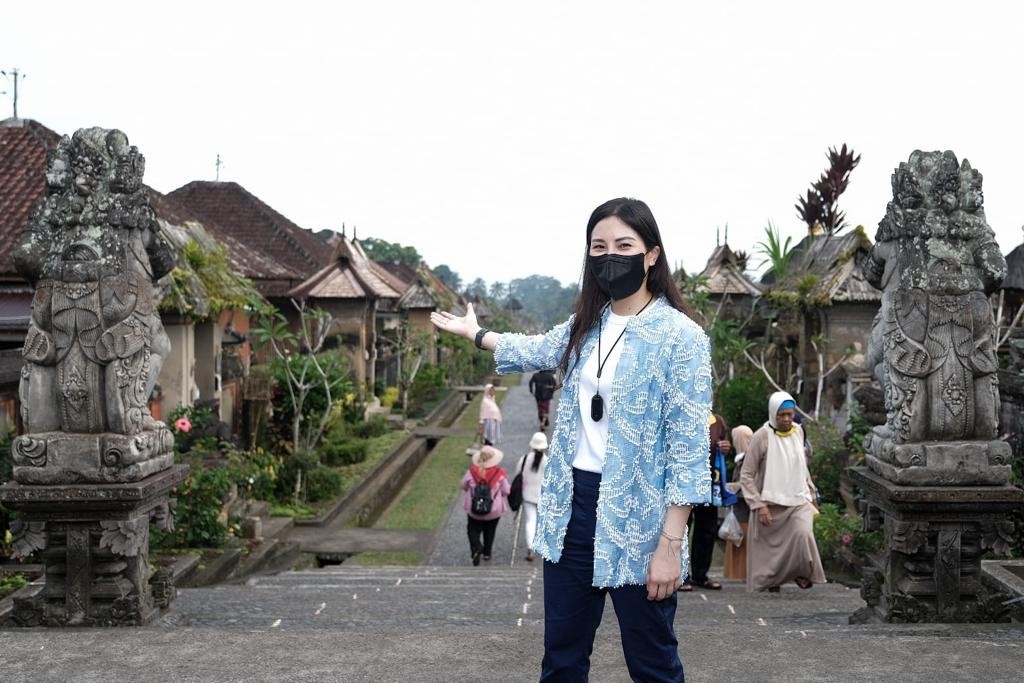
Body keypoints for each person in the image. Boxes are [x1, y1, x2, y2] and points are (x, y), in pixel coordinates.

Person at [431, 197, 712, 682]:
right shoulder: (589, 323)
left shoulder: (681, 338)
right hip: (572, 508)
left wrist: (670, 544)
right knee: (561, 657)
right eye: (598, 246)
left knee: (653, 662)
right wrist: (477, 334)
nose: (610, 256)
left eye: (623, 245)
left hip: (639, 519)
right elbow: (535, 348)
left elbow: (688, 452)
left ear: (651, 255)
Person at [739, 392, 826, 592]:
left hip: (798, 499)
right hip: (770, 503)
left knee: (803, 535)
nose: (786, 419)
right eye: (781, 415)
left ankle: (801, 572)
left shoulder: (799, 431)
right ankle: (773, 580)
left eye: (789, 414)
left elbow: (802, 467)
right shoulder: (761, 436)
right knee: (771, 551)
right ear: (772, 414)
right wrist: (759, 505)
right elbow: (747, 474)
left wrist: (812, 495)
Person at [679, 412, 731, 591]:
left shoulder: (718, 420)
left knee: (707, 530)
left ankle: (700, 575)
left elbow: (723, 445)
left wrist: (725, 447)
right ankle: (680, 575)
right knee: (681, 528)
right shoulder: (683, 414)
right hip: (684, 481)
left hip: (709, 483)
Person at [460, 445, 511, 566]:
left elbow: (463, 486)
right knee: (490, 530)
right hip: (493, 511)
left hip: (474, 509)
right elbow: (506, 491)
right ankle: (487, 553)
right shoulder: (500, 473)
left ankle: (476, 547)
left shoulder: (471, 472)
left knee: (472, 529)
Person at [723, 425, 754, 580]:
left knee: (743, 541)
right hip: (741, 508)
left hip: (745, 508)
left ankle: (743, 574)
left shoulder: (748, 458)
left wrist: (730, 487)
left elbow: (748, 483)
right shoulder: (743, 458)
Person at [515, 431, 549, 562]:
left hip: (528, 495)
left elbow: (518, 474)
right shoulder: (547, 461)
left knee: (530, 521)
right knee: (542, 521)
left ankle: (531, 548)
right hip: (543, 496)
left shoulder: (524, 459)